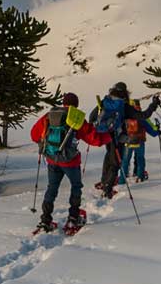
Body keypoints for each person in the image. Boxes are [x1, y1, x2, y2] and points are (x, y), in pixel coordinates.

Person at [28, 92, 108, 231]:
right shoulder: (76, 118)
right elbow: (94, 139)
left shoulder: (49, 115)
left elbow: (34, 134)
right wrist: (108, 137)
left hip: (52, 160)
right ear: (75, 105)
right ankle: (73, 218)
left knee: (51, 188)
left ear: (63, 102)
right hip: (71, 161)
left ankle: (45, 220)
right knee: (76, 187)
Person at [92, 83, 161, 197]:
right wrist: (154, 105)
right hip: (119, 137)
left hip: (105, 135)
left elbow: (92, 118)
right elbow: (143, 115)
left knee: (109, 157)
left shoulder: (105, 101)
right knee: (116, 163)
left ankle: (105, 182)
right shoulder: (124, 105)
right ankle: (108, 189)